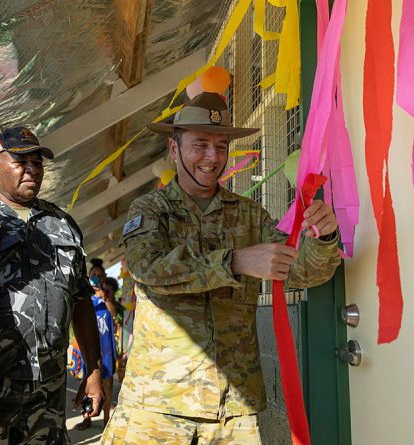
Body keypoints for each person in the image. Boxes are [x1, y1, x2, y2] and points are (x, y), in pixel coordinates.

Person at [101, 93, 341, 445]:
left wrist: (324, 237)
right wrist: (238, 260)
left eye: (221, 146)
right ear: (174, 148)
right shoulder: (151, 209)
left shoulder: (249, 215)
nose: (212, 158)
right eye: (200, 144)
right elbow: (147, 267)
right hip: (158, 408)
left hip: (233, 410)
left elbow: (301, 271)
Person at [0, 127, 103, 444]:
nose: (33, 170)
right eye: (21, 161)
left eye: (37, 163)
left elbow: (81, 301)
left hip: (48, 394)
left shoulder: (62, 225)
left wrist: (93, 371)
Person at [75, 275, 117, 431]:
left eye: (99, 278)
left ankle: (106, 420)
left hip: (106, 348)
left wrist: (105, 296)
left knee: (107, 384)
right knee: (88, 383)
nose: (96, 282)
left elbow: (113, 314)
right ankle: (87, 418)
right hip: (90, 349)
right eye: (93, 276)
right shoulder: (84, 300)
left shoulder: (105, 298)